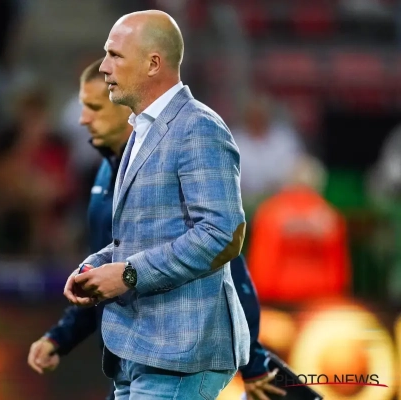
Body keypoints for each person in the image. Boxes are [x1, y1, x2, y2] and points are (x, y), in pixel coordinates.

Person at [30, 58, 285, 400]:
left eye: (94, 107)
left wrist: (253, 361)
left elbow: (223, 260)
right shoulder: (104, 174)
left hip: (175, 355)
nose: (83, 119)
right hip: (129, 354)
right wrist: (61, 337)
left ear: (123, 106)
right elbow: (110, 277)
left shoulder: (174, 159)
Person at [63, 11, 249, 399]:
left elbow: (223, 234)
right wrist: (97, 265)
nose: (103, 66)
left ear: (153, 64)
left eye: (115, 55)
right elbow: (149, 232)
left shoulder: (198, 127)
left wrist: (129, 274)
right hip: (140, 349)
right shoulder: (142, 130)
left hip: (181, 352)